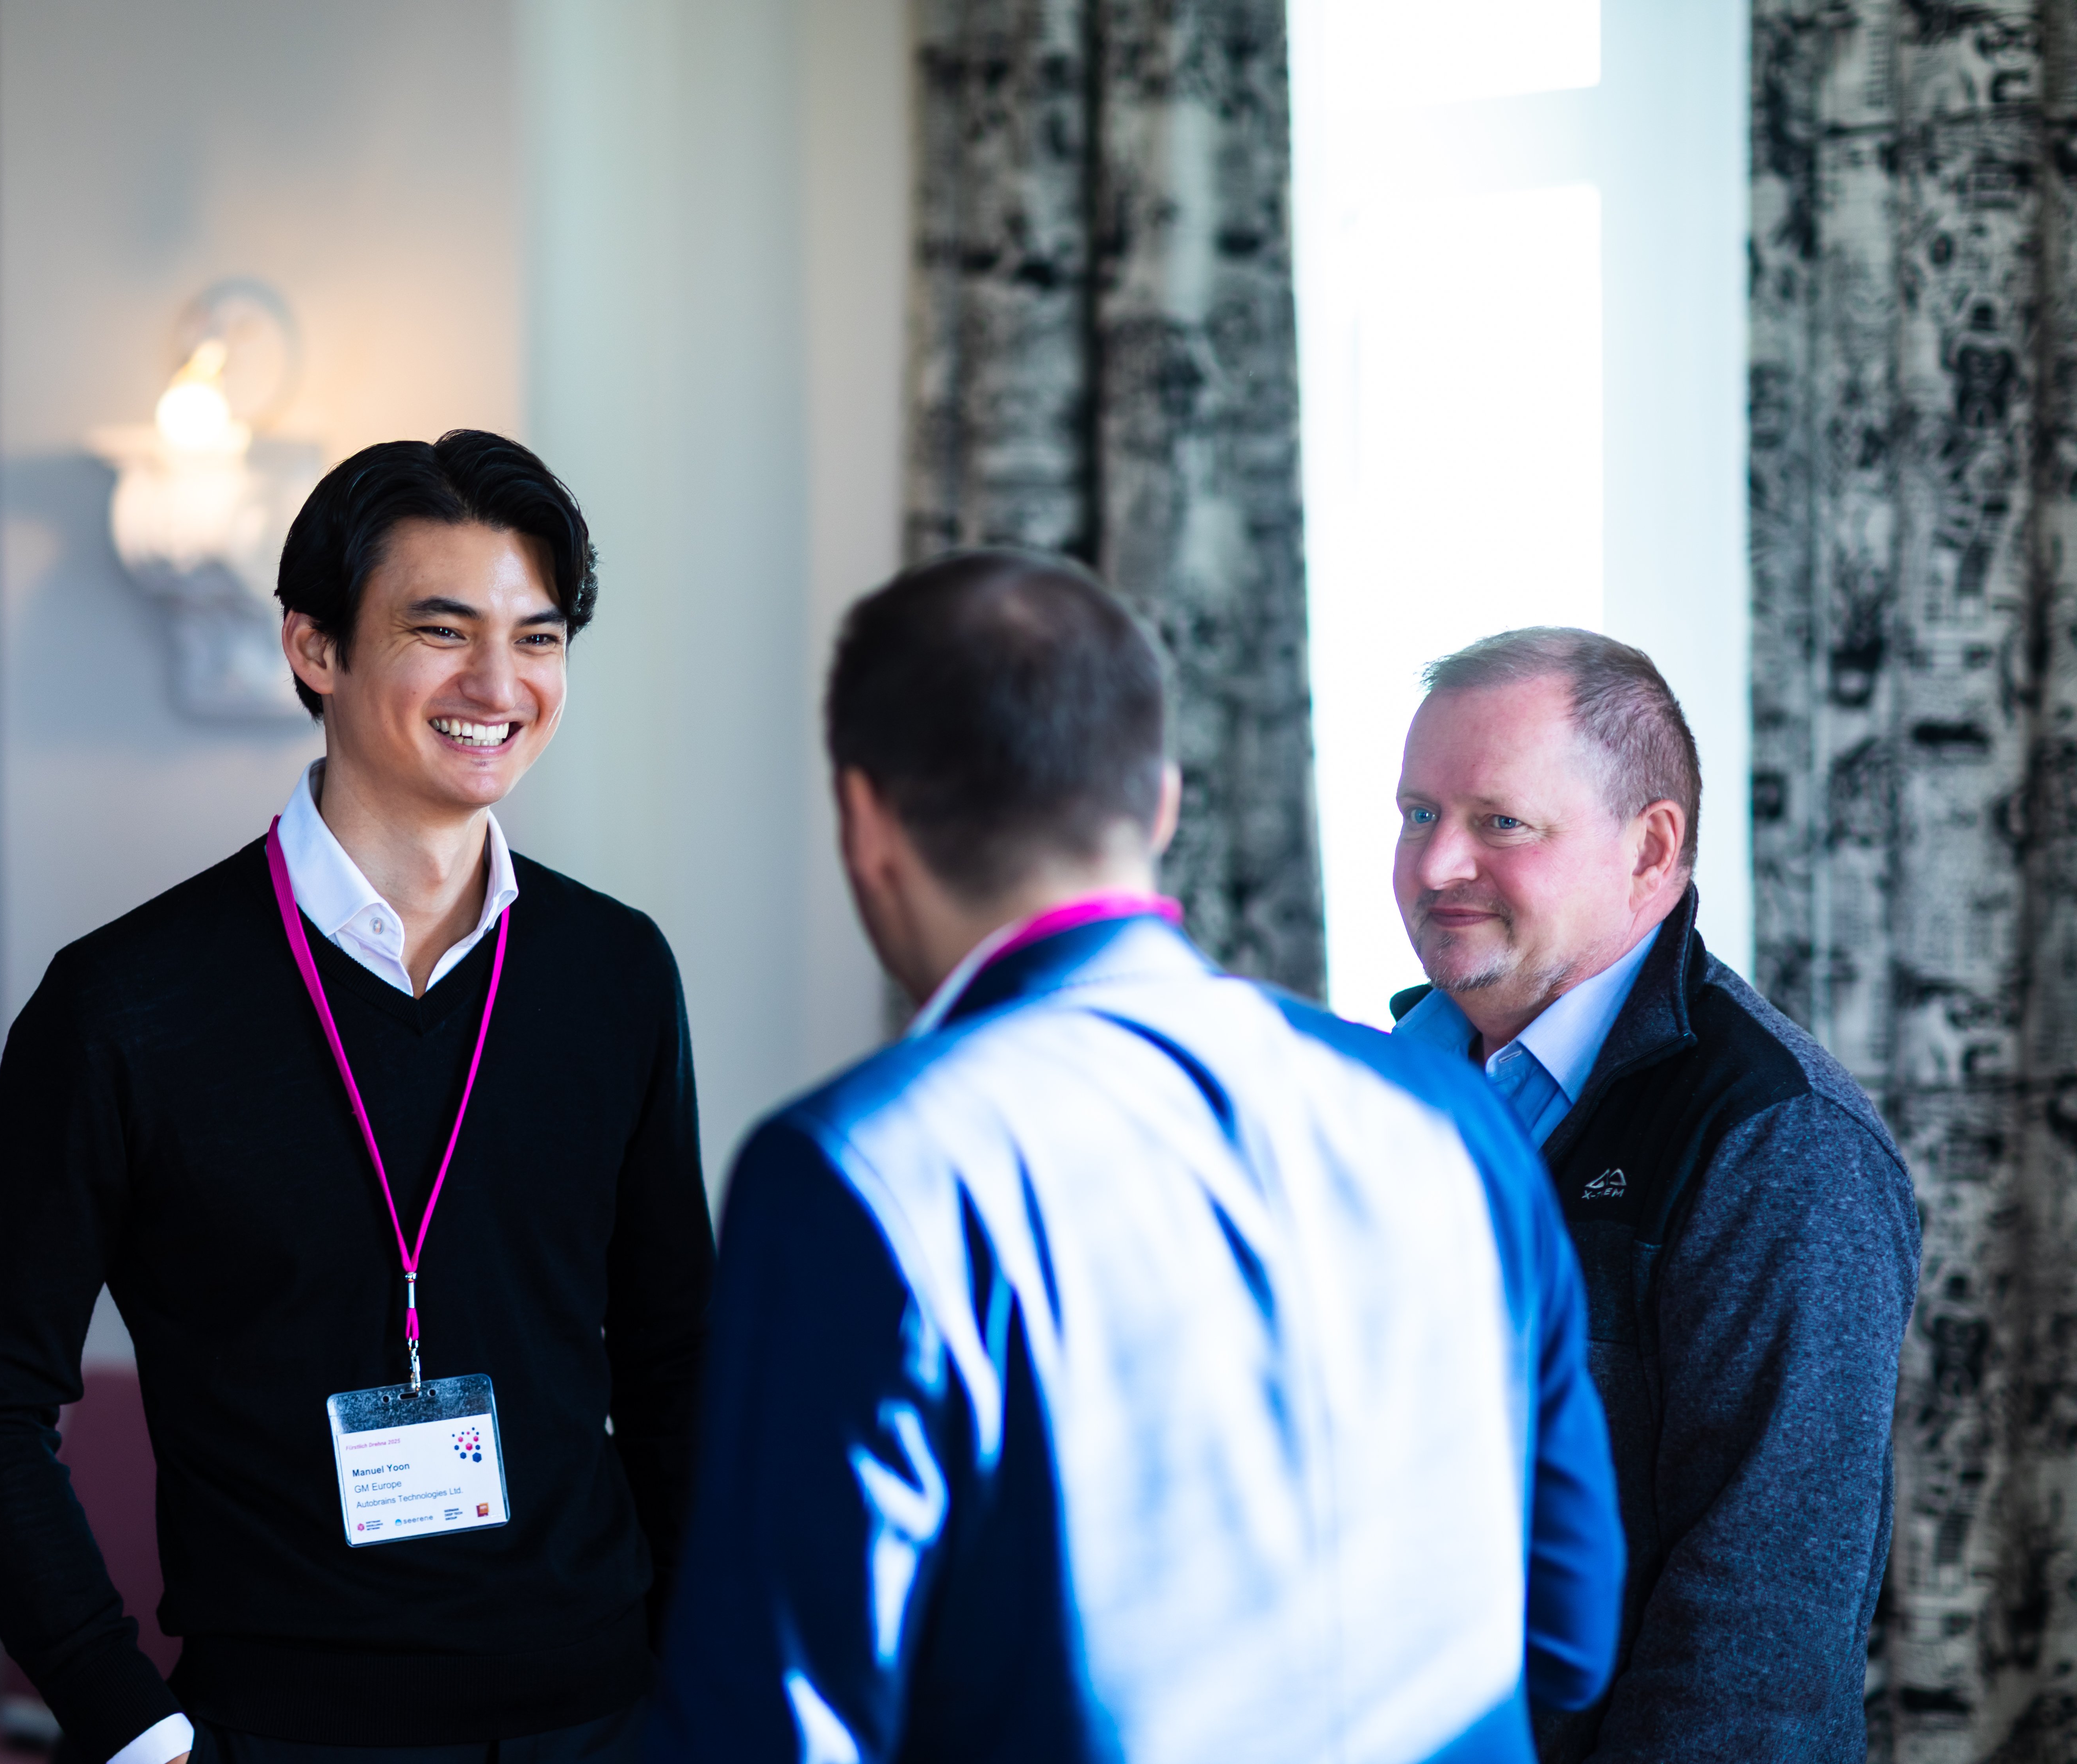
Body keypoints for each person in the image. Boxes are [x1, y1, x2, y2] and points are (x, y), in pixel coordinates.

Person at [647, 550, 1624, 1764]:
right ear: (1161, 803)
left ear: (864, 817)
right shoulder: (1444, 1111)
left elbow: (779, 1721)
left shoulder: (864, 1168)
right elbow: (1570, 1636)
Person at [0, 432, 714, 1764]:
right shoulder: (126, 1005)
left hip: (606, 1714)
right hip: (287, 1730)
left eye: (540, 637)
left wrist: (701, 1677)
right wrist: (133, 1730)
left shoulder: (615, 972)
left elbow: (679, 1361)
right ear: (315, 649)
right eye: (442, 631)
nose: (498, 685)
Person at [1387, 627, 1917, 1760]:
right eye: (1419, 814)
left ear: (1650, 848)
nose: (1434, 867)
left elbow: (1753, 1649)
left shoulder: (1780, 1143)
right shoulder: (1376, 1096)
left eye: (1500, 822)